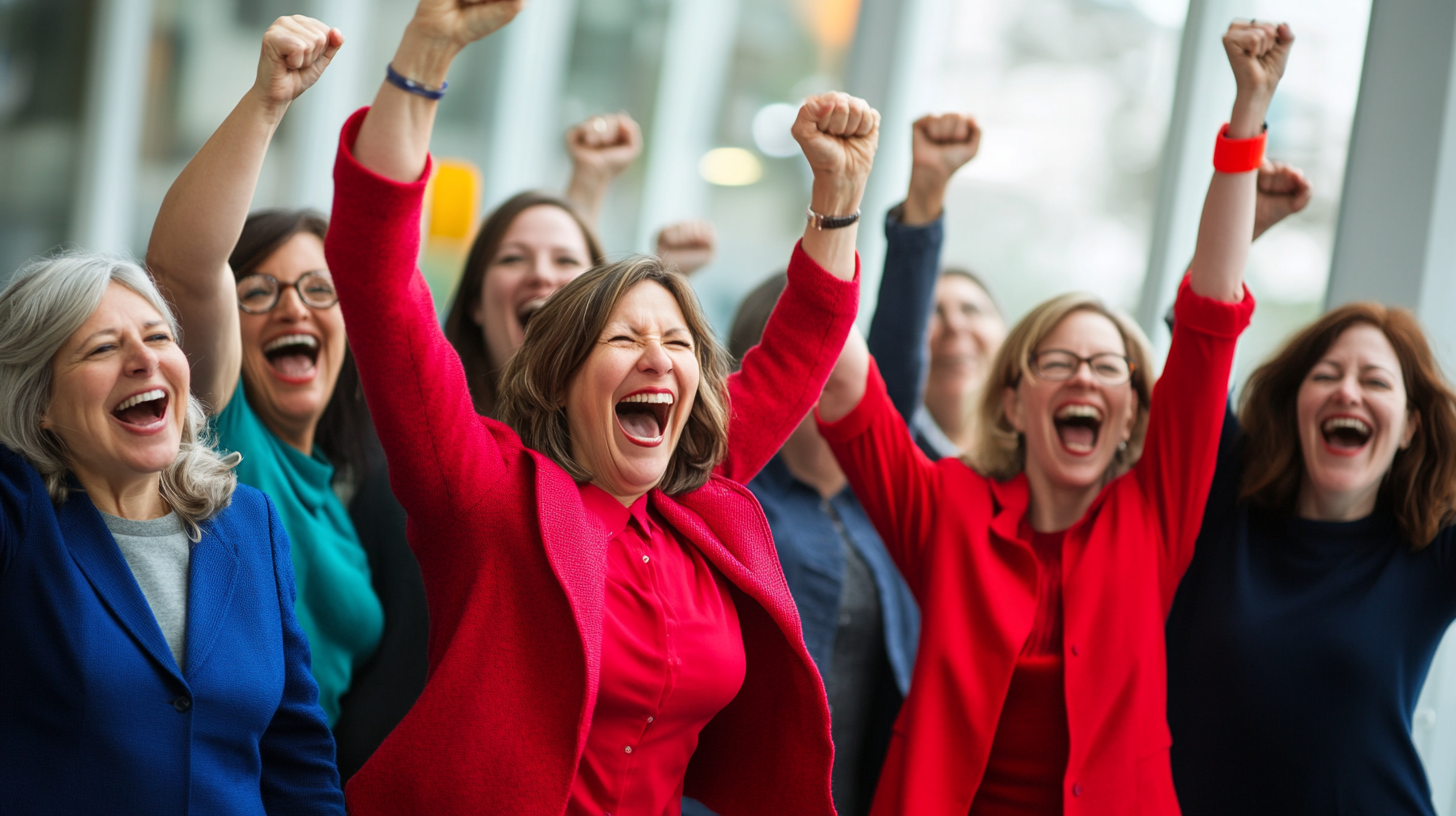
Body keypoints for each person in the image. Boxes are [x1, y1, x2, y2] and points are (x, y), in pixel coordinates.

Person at [326, 1, 878, 813]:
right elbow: (375, 275)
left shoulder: (699, 503)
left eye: (680, 344)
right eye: (625, 339)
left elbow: (801, 346)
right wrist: (425, 55)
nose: (659, 358)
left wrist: (839, 193)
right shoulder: (483, 491)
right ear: (559, 378)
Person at [814, 20, 1288, 814]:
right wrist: (837, 202)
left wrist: (1248, 113)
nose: (1086, 380)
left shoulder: (1154, 511)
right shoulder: (948, 506)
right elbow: (842, 382)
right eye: (1060, 364)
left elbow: (1208, 317)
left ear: (1134, 409)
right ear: (1014, 399)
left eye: (1109, 367)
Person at [145, 15, 422, 779]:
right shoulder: (221, 429)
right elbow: (182, 264)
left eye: (318, 291)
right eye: (259, 291)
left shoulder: (342, 484)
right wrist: (267, 103)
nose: (294, 309)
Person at [0, 251, 343, 814]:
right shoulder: (19, 516)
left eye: (159, 338)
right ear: (40, 402)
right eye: (103, 348)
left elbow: (297, 755)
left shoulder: (249, 521)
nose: (143, 361)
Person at [1164, 310, 1456, 809]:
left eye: (1375, 381)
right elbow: (1200, 331)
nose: (1347, 392)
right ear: (1295, 405)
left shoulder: (1430, 549)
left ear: (1409, 427)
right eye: (1325, 375)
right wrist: (1245, 229)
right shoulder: (1226, 499)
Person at [442, 119, 714, 418]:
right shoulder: (434, 421)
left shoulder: (631, 434)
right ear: (475, 301)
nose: (541, 274)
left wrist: (668, 282)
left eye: (566, 261)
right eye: (513, 259)